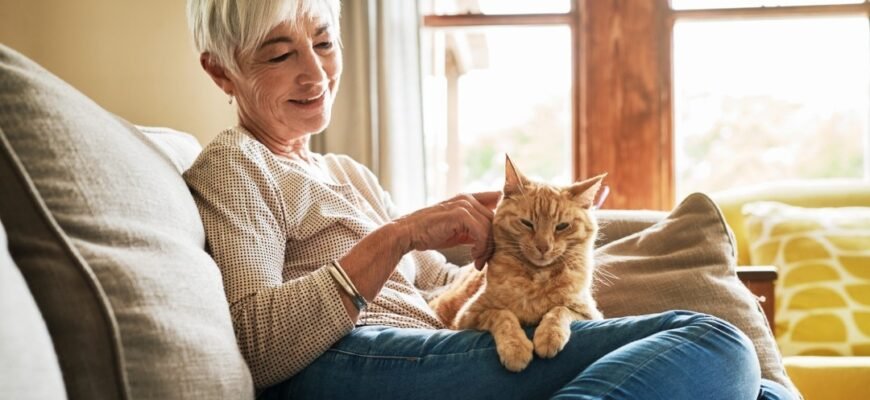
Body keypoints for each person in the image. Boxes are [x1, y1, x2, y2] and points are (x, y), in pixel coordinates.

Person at [182, 1, 794, 398]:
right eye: (281, 55)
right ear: (221, 72)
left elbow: (439, 282)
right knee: (714, 343)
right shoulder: (236, 165)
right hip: (351, 366)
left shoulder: (343, 171)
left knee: (758, 390)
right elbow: (257, 347)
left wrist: (500, 239)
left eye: (322, 43)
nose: (315, 73)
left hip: (437, 349)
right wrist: (399, 233)